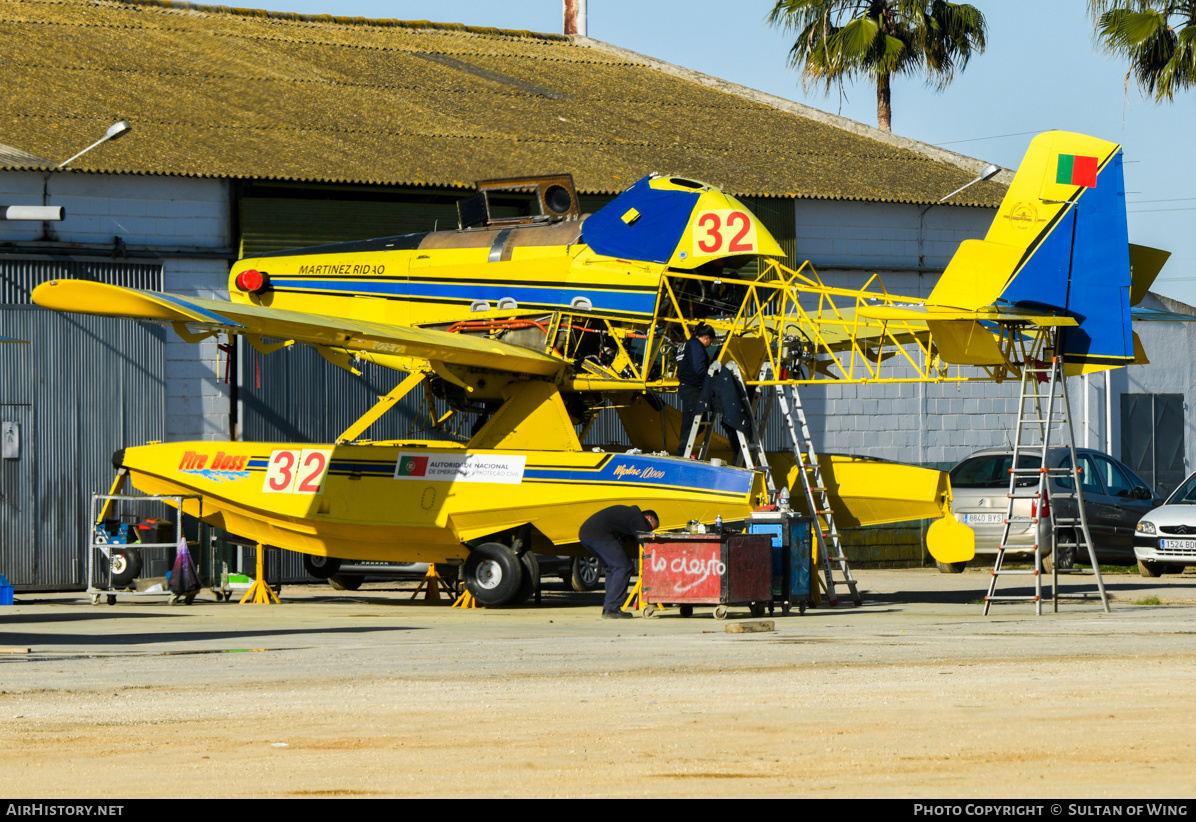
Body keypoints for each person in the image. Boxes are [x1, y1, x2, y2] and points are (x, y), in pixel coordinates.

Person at [578, 505, 659, 619]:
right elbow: (644, 540)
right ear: (649, 518)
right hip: (599, 534)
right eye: (651, 528)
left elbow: (622, 545)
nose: (650, 530)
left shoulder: (628, 516)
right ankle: (612, 608)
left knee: (612, 568)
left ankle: (609, 607)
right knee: (622, 567)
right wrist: (659, 556)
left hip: (586, 534)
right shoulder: (637, 517)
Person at [675, 323, 716, 456]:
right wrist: (712, 378)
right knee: (693, 423)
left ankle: (683, 452)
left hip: (685, 387)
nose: (709, 345)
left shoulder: (685, 344)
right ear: (706, 338)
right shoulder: (696, 346)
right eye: (710, 341)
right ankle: (682, 454)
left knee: (693, 422)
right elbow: (699, 369)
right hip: (693, 388)